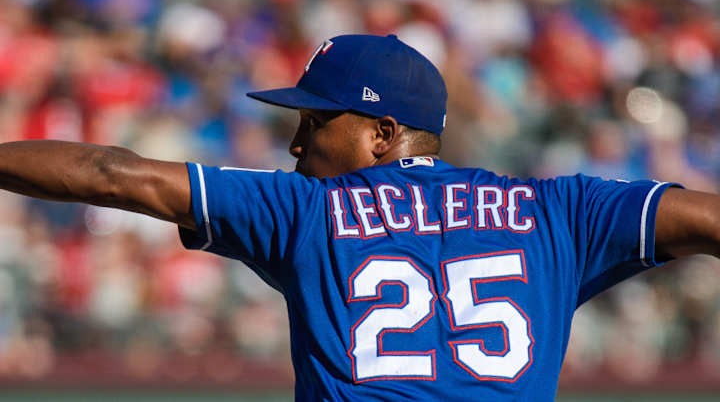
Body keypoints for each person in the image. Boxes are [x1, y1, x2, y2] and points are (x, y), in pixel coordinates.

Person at [0, 34, 718, 401]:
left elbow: (111, 172)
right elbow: (709, 218)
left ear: (382, 133)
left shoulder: (305, 209)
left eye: (315, 122)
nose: (296, 143)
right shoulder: (559, 212)